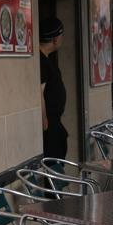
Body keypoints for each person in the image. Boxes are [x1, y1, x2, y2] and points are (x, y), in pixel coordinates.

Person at [39, 17, 68, 160]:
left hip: (54, 122)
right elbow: (40, 93)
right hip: (50, 125)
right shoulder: (41, 61)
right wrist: (44, 121)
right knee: (53, 168)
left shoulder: (46, 59)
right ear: (55, 39)